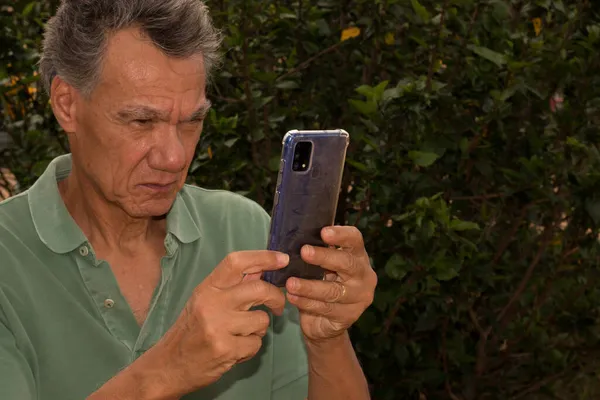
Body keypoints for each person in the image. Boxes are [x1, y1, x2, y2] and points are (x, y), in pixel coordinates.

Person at [0, 1, 377, 399]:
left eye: (191, 121)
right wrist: (167, 370)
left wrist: (327, 338)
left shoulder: (243, 230)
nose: (174, 157)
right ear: (67, 104)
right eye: (141, 121)